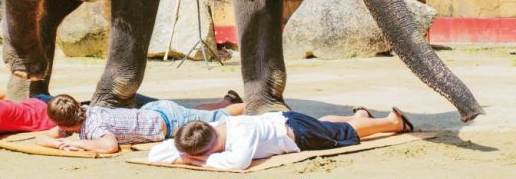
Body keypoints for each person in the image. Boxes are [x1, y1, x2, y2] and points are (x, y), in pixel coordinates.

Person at [148, 106, 415, 170]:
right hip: (287, 120)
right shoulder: (207, 128)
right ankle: (361, 113)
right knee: (324, 124)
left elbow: (237, 163)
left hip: (298, 135)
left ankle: (392, 122)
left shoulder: (242, 133)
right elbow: (155, 153)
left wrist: (201, 161)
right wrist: (184, 154)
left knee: (345, 134)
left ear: (211, 147)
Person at [35, 93, 245, 153]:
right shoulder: (84, 112)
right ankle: (228, 99)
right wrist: (58, 144)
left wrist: (80, 144)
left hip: (168, 121)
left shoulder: (94, 126)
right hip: (155, 113)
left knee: (219, 117)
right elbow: (41, 136)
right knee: (196, 113)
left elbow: (109, 145)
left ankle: (249, 106)